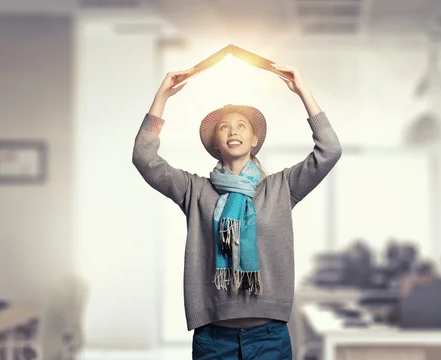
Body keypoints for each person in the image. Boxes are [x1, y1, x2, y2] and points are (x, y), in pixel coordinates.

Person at [132, 64, 342, 360]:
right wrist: (162, 97)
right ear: (216, 144)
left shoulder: (281, 188)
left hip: (270, 336)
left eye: (241, 125)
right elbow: (143, 157)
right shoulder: (194, 191)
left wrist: (302, 91)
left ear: (254, 140)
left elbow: (329, 150)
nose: (233, 130)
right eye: (224, 127)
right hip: (213, 339)